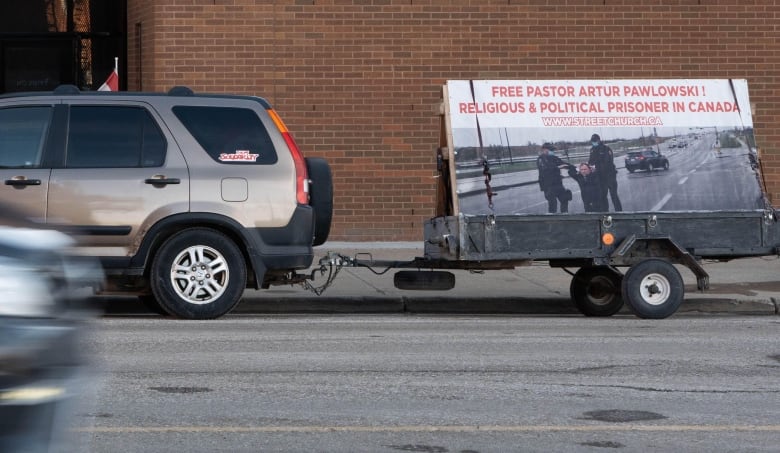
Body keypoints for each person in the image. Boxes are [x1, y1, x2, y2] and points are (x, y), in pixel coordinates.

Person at [587, 133, 623, 211]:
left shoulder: (606, 149)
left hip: (610, 175)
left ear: (599, 140)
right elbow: (590, 161)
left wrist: (596, 167)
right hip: (600, 177)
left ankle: (619, 212)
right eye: (592, 141)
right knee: (602, 195)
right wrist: (589, 166)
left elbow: (607, 162)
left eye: (595, 141)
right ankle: (605, 212)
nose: (594, 142)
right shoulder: (592, 150)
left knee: (613, 195)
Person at [537, 143, 571, 213]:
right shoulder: (541, 159)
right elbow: (546, 168)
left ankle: (564, 215)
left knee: (564, 199)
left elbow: (563, 164)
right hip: (548, 185)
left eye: (553, 150)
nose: (552, 151)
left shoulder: (553, 157)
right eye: (551, 150)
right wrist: (558, 167)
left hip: (558, 184)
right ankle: (552, 220)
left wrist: (577, 168)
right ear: (544, 150)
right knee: (553, 204)